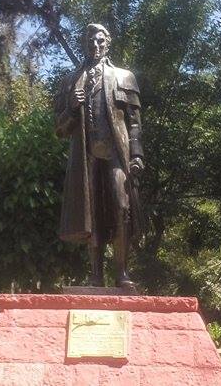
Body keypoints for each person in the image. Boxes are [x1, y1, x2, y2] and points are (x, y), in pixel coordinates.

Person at [55, 23, 144, 289]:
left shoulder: (124, 77)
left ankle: (122, 273)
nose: (95, 46)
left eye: (100, 41)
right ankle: (95, 274)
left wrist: (137, 156)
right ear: (84, 44)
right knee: (90, 213)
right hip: (86, 156)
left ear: (108, 43)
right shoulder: (71, 82)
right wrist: (71, 108)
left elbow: (135, 123)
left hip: (117, 152)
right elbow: (59, 129)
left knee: (121, 206)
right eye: (90, 41)